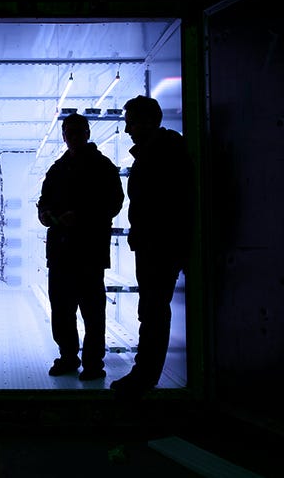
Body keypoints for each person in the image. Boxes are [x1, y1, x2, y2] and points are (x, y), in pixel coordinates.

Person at [109, 95, 194, 398]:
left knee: (154, 310)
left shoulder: (164, 151)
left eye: (130, 121)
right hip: (156, 242)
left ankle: (144, 375)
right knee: (153, 309)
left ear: (146, 121)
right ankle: (145, 372)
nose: (127, 129)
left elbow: (170, 201)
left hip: (161, 244)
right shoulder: (159, 149)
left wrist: (157, 237)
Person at [37, 112, 125, 381]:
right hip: (62, 253)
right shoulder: (56, 170)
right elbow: (44, 206)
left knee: (92, 311)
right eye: (69, 132)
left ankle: (93, 363)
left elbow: (114, 203)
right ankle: (68, 357)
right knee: (62, 310)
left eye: (78, 131)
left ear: (87, 133)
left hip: (89, 252)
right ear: (64, 136)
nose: (73, 137)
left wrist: (80, 217)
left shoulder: (103, 167)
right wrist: (50, 217)